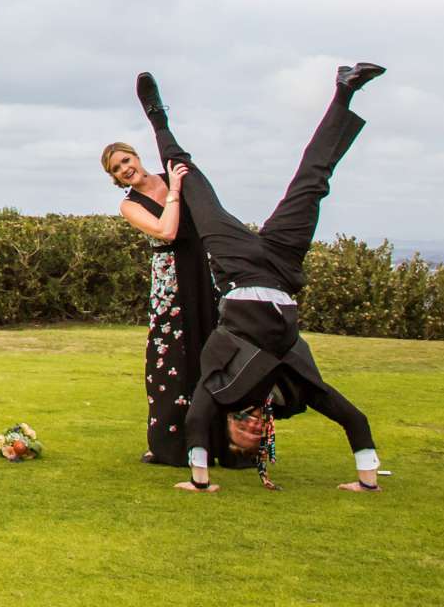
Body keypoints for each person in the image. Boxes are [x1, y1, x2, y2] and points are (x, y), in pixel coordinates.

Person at [137, 63, 389, 494]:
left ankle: (157, 118)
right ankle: (345, 91)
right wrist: (367, 482)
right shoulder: (293, 391)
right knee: (312, 183)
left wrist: (200, 482)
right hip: (282, 267)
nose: (253, 430)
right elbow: (354, 418)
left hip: (235, 268)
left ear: (229, 433)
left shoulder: (220, 391)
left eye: (244, 438)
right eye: (259, 437)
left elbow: (196, 421)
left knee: (192, 184)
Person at [105, 142, 248, 469]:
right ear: (116, 178)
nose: (125, 168)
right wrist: (176, 190)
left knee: (221, 349)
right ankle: (175, 445)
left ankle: (231, 444)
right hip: (171, 283)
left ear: (137, 157)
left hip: (204, 271)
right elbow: (166, 231)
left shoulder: (170, 177)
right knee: (173, 356)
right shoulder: (129, 206)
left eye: (126, 160)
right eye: (117, 169)